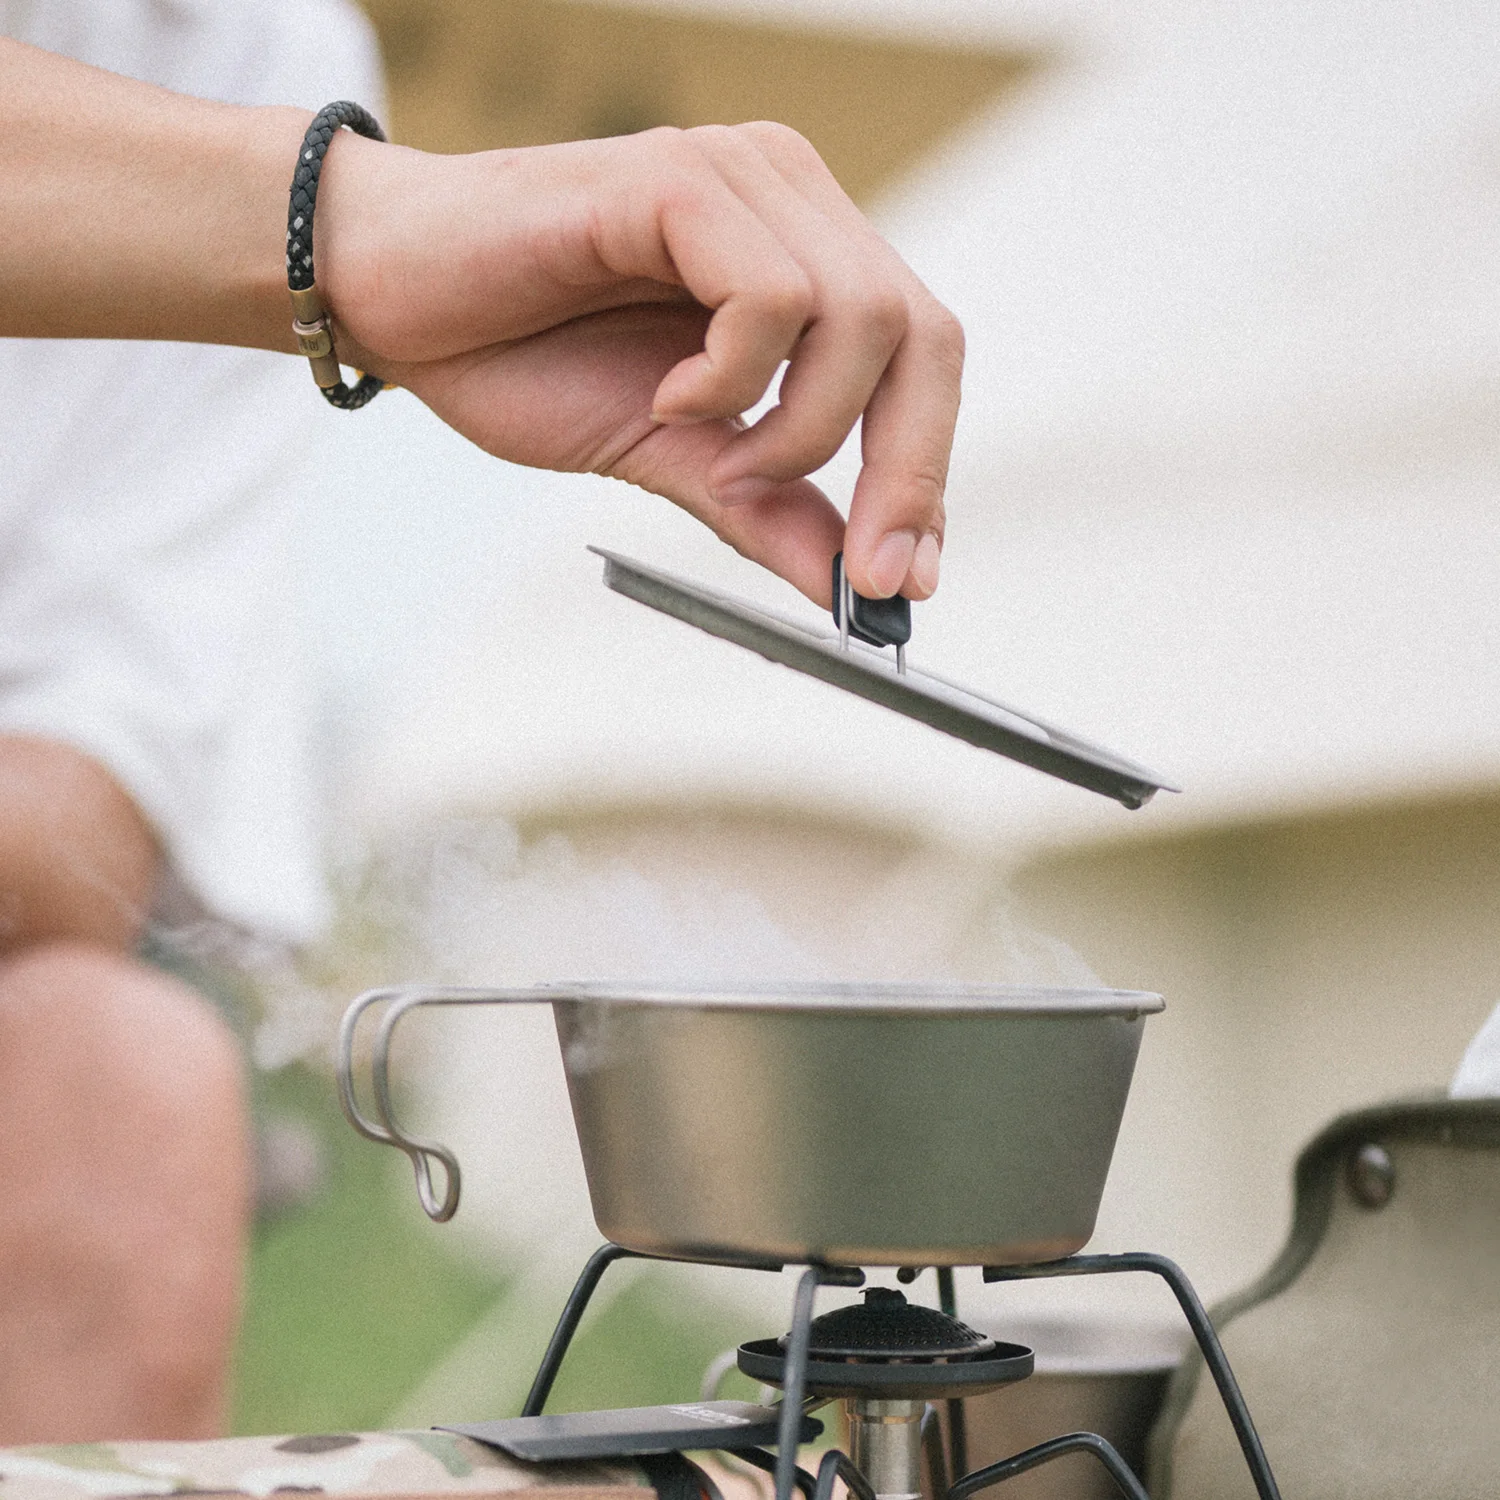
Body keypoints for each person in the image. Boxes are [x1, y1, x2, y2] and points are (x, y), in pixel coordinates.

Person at [0, 0, 960, 1446]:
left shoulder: (254, 52)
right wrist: (348, 219)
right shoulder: (301, 148)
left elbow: (79, 811)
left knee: (121, 1081)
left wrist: (335, 241)